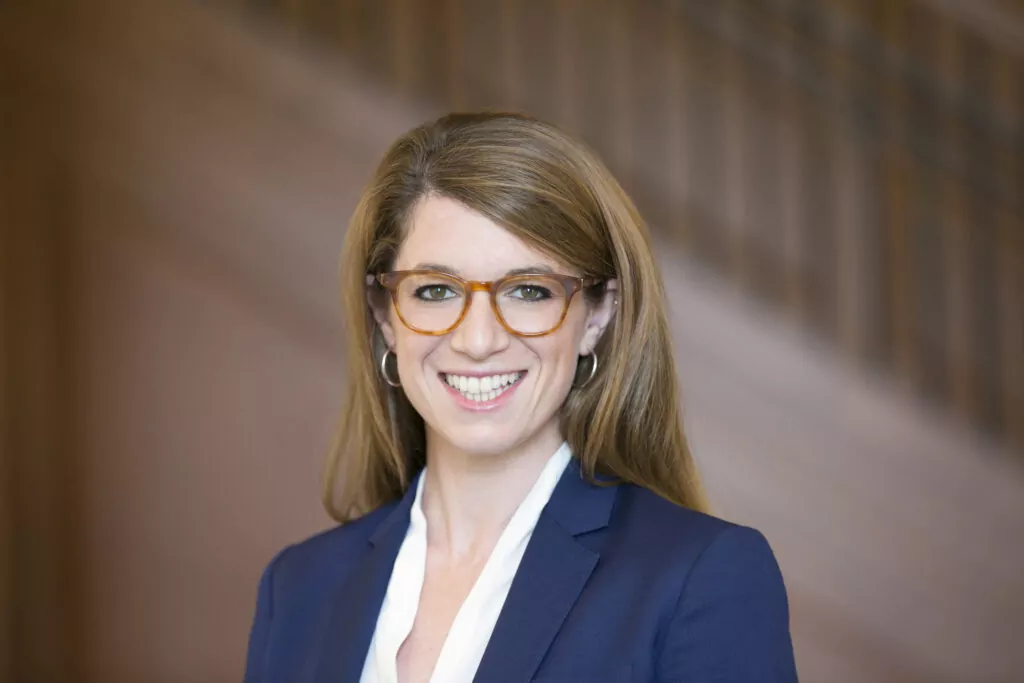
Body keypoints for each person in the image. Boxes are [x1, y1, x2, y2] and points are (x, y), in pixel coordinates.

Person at [243, 112, 798, 683]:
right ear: (387, 315)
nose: (478, 340)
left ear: (596, 316)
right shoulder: (298, 590)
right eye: (435, 290)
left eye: (528, 291)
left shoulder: (700, 577)